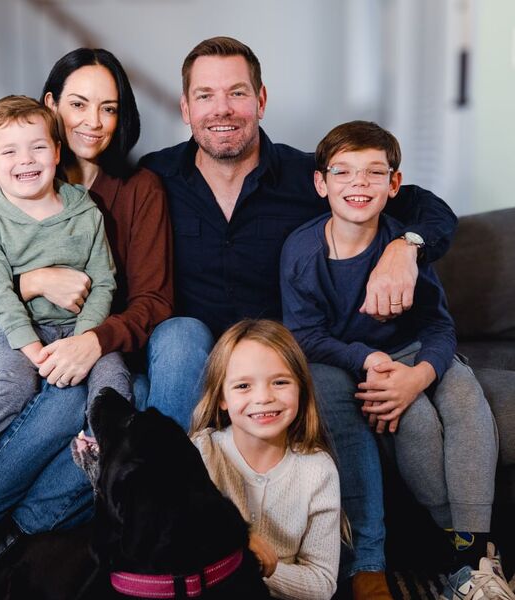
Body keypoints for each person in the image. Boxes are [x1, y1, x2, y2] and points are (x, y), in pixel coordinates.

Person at [140, 36, 458, 598]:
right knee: (178, 335)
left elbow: (429, 209)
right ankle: (165, 540)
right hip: (198, 348)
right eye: (206, 95)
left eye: (237, 93)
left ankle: (367, 564)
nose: (222, 109)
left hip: (288, 348)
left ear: (261, 100)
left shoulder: (307, 175)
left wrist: (404, 247)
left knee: (330, 381)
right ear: (185, 108)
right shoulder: (155, 176)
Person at [0, 48, 174, 567]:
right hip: (30, 341)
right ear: (51, 105)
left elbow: (153, 300)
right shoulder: (18, 178)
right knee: (68, 401)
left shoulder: (140, 188)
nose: (94, 121)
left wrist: (92, 340)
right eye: (79, 104)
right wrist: (35, 280)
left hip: (101, 343)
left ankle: (15, 535)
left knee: (124, 405)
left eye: (109, 108)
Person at [280, 120, 513, 600]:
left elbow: (439, 326)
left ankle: (474, 559)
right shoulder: (303, 252)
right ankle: (464, 550)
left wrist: (421, 374)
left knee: (464, 395)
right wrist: (368, 360)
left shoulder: (403, 245)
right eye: (343, 172)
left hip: (417, 353)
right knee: (417, 422)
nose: (359, 183)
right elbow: (306, 336)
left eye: (374, 172)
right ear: (321, 183)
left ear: (394, 184)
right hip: (362, 363)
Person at [0, 95, 132, 539]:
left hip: (80, 329)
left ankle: (104, 465)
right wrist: (34, 351)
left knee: (114, 381)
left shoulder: (85, 210)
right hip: (16, 330)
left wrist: (83, 340)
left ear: (56, 152)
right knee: (14, 384)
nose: (26, 160)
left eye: (37, 147)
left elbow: (104, 282)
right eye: (9, 151)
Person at [190, 319, 342, 600]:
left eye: (280, 382)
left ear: (301, 388)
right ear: (221, 397)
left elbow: (321, 582)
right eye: (243, 386)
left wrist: (256, 566)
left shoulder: (318, 470)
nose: (263, 397)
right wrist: (238, 551)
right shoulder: (201, 453)